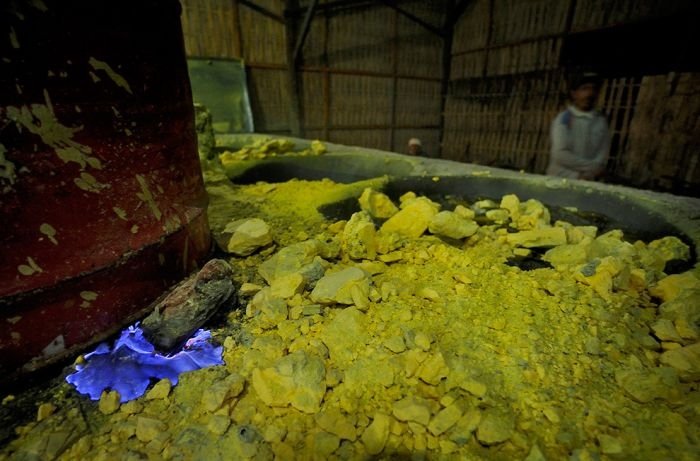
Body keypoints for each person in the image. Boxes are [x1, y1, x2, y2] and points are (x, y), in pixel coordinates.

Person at [547, 72, 610, 180]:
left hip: (590, 180)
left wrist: (590, 174)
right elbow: (560, 155)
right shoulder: (564, 119)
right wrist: (580, 174)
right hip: (562, 179)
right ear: (574, 93)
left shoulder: (601, 121)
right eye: (584, 89)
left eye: (593, 89)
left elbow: (602, 155)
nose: (589, 94)